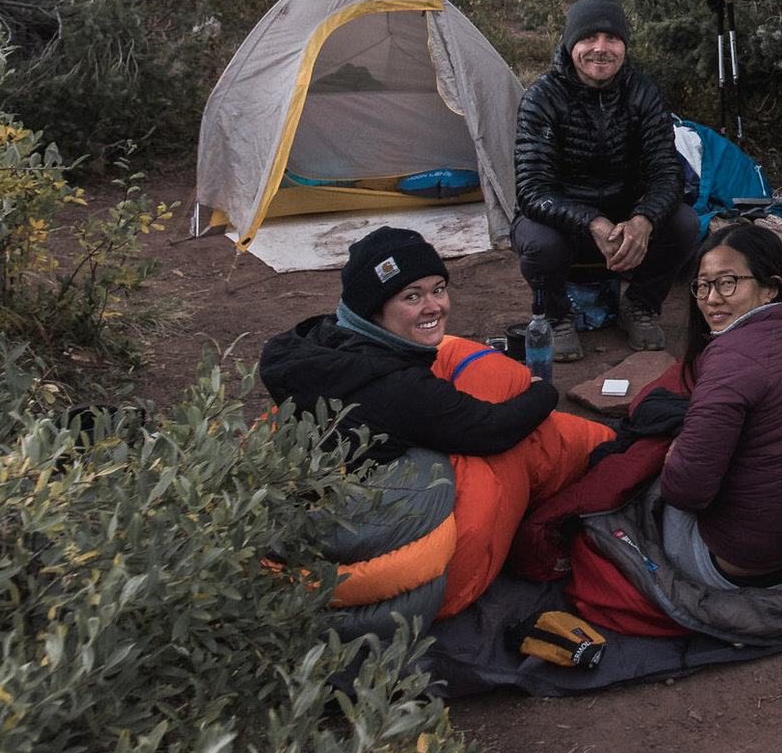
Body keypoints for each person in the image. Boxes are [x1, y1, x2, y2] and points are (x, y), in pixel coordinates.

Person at [260, 226, 611, 627]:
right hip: (356, 530)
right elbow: (491, 429)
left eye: (438, 289)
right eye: (412, 296)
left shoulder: (315, 340)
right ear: (373, 309)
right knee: (446, 468)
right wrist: (541, 391)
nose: (434, 306)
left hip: (310, 501)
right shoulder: (399, 388)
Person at [655, 223, 782, 588]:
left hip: (742, 568)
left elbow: (686, 490)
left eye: (728, 282)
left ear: (770, 288)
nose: (712, 298)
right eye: (703, 284)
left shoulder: (731, 358)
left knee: (654, 489)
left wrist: (677, 454)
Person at [513, 0, 702, 357]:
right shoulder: (542, 98)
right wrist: (592, 222)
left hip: (624, 221)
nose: (600, 48)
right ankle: (555, 316)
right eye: (588, 38)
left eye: (612, 38)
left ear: (624, 46)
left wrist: (643, 220)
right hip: (562, 222)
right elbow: (532, 189)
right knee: (540, 242)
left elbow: (667, 173)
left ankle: (641, 305)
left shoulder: (643, 93)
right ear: (570, 44)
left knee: (685, 223)